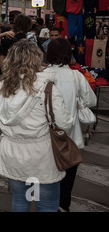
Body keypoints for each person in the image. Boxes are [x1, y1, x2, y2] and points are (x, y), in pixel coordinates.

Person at [0, 39, 74, 212]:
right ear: (37, 59)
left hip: (13, 154)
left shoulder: (1, 86)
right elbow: (64, 123)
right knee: (47, 205)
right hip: (41, 157)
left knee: (21, 200)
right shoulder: (47, 88)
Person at [44, 37, 97, 212]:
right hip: (70, 137)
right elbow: (92, 100)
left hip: (45, 135)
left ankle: (45, 204)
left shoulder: (41, 75)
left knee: (46, 174)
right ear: (69, 55)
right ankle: (62, 205)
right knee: (68, 175)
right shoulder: (76, 76)